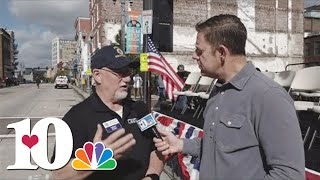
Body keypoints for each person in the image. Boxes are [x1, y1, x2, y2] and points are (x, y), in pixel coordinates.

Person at [153, 14, 305, 180]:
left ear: (221, 52)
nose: (194, 56)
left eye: (199, 50)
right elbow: (219, 145)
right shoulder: (218, 91)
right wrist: (181, 144)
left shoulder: (269, 97)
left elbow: (289, 174)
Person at [51, 45, 164, 180]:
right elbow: (58, 174)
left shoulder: (140, 109)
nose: (128, 79)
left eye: (128, 71)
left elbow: (157, 149)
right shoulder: (76, 117)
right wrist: (95, 161)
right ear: (97, 75)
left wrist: (152, 176)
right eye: (120, 72)